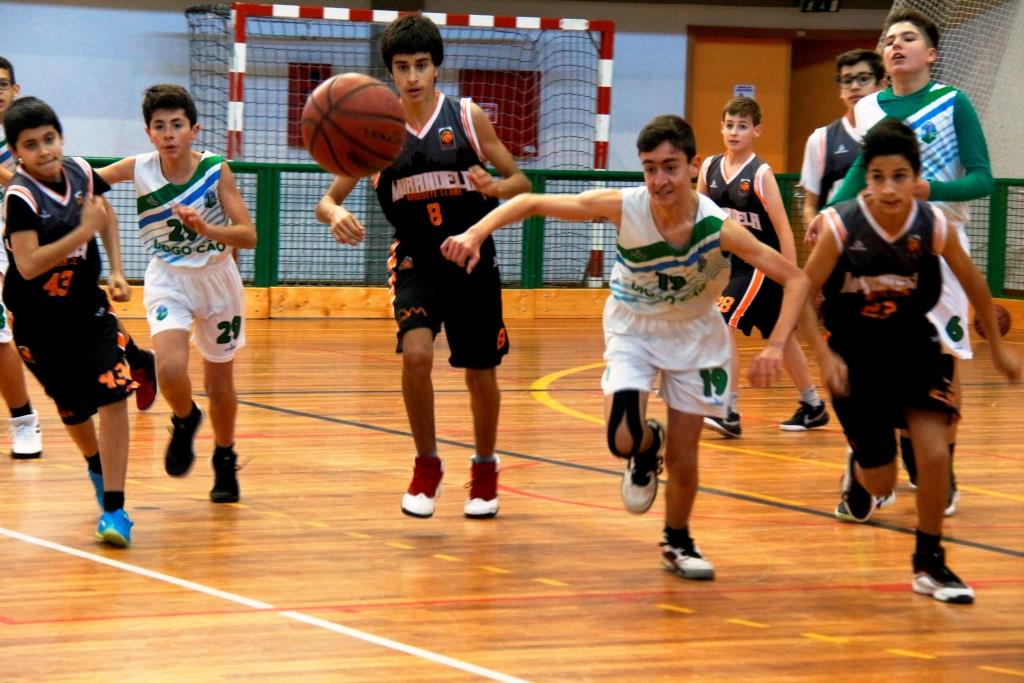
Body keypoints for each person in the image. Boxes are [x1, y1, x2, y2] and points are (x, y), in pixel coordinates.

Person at [440, 114, 809, 579]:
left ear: (693, 167)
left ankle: (678, 540)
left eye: (670, 167)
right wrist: (475, 233)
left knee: (686, 453)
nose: (660, 179)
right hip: (633, 328)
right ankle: (644, 447)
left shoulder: (717, 227)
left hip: (696, 334)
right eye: (650, 168)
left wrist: (776, 345)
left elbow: (795, 279)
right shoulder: (624, 206)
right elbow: (531, 201)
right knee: (622, 439)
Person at [316, 15, 530, 520]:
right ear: (389, 72)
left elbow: (520, 182)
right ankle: (427, 464)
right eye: (402, 67)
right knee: (415, 356)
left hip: (473, 259)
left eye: (421, 65)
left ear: (437, 68)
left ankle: (483, 468)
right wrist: (337, 213)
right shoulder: (375, 128)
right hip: (416, 260)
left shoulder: (468, 117)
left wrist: (495, 188)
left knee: (480, 374)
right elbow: (327, 199)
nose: (412, 76)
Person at [798, 119, 1018, 603]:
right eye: (877, 176)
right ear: (867, 179)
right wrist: (820, 352)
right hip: (857, 356)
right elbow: (801, 291)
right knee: (883, 479)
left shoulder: (932, 224)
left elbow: (976, 283)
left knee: (935, 455)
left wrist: (999, 347)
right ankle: (860, 471)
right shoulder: (842, 225)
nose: (889, 187)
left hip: (916, 345)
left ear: (916, 179)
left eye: (900, 176)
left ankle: (930, 562)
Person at [822, 9, 995, 517]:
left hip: (939, 243)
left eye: (908, 38)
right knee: (875, 352)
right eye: (889, 39)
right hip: (879, 244)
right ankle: (870, 459)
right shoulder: (871, 108)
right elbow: (860, 170)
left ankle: (939, 460)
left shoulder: (953, 103)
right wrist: (831, 215)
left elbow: (983, 178)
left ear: (932, 53)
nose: (895, 45)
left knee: (942, 354)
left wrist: (931, 190)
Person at [98, 84, 255, 504]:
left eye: (177, 125)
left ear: (194, 129)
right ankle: (185, 419)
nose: (168, 133)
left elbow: (249, 235)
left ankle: (224, 457)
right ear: (149, 132)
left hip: (218, 279)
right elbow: (86, 180)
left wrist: (208, 229)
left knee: (220, 383)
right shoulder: (139, 167)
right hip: (167, 278)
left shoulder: (215, 170)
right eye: (159, 126)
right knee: (169, 369)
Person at [2, 97, 136, 545]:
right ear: (16, 153)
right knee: (73, 409)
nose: (44, 150)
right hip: (37, 322)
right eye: (31, 145)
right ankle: (97, 468)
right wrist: (81, 232)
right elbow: (28, 265)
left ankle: (115, 510)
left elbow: (107, 216)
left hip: (86, 308)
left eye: (50, 139)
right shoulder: (19, 197)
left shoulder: (80, 172)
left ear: (61, 137)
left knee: (113, 395)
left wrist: (116, 269)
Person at [696, 97, 827, 436]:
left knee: (720, 320)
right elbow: (701, 220)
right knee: (779, 337)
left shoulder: (760, 173)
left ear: (756, 131)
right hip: (731, 265)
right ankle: (813, 405)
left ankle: (729, 410)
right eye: (729, 125)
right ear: (721, 127)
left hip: (763, 264)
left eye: (742, 126)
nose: (734, 132)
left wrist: (792, 281)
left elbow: (783, 229)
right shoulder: (709, 168)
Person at [0, 57, 43, 459]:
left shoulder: (26, 139)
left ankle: (25, 420)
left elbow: (35, 186)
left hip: (17, 244)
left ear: (15, 89)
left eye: (1, 84)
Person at [799, 48, 886, 228]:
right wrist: (819, 232)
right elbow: (810, 205)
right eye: (847, 81)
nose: (854, 86)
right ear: (840, 90)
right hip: (840, 245)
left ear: (881, 84)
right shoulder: (821, 139)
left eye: (863, 79)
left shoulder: (897, 135)